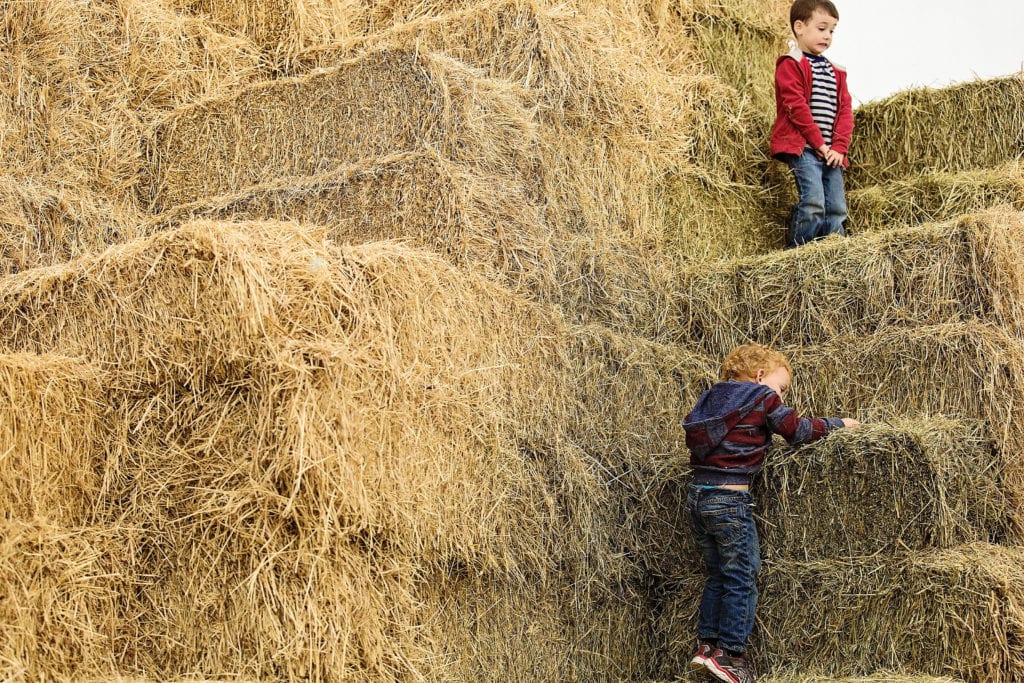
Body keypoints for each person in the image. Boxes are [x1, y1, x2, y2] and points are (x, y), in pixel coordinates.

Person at [682, 343, 860, 683]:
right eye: (781, 388)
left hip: (698, 498)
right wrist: (839, 424)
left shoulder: (709, 399)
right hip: (730, 500)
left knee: (718, 575)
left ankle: (706, 649)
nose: (781, 395)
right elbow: (798, 432)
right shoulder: (762, 398)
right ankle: (731, 656)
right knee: (743, 575)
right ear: (761, 375)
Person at [770, 0, 854, 248]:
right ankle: (799, 254)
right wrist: (819, 144)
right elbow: (796, 107)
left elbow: (845, 111)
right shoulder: (790, 64)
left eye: (832, 30)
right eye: (822, 28)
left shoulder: (836, 71)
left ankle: (833, 255)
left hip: (831, 153)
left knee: (837, 207)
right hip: (805, 148)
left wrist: (839, 147)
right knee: (813, 203)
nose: (827, 36)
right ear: (800, 26)